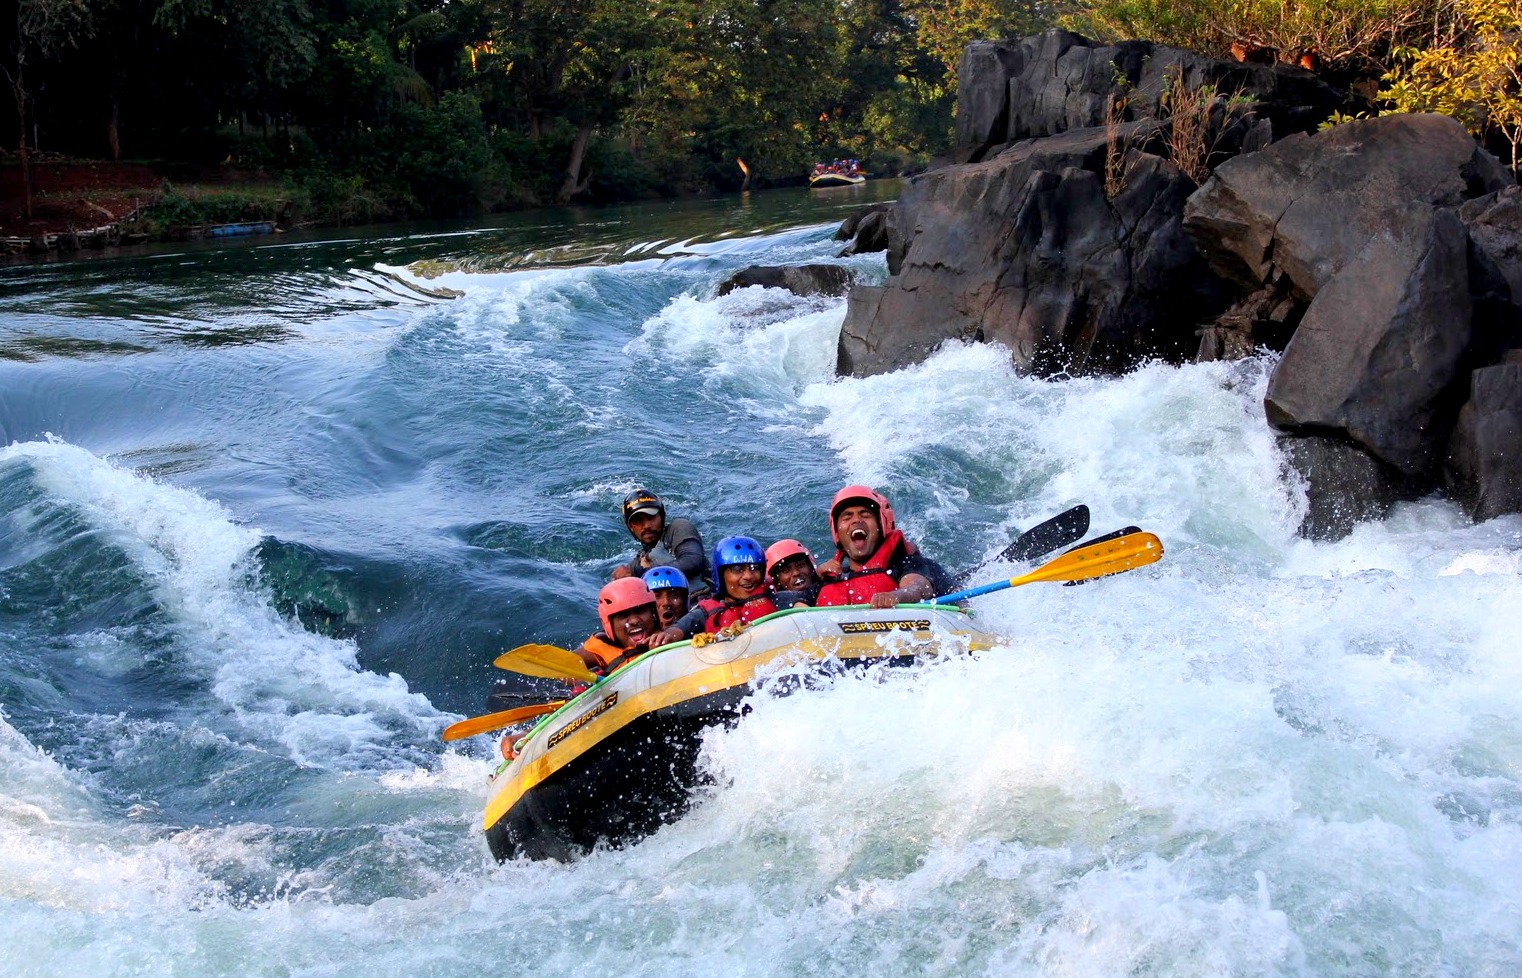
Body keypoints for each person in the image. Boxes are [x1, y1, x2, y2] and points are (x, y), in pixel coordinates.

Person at [814, 485, 951, 608]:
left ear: (881, 526)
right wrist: (815, 577)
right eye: (847, 517)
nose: (856, 520)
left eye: (865, 515)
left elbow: (917, 588)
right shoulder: (827, 578)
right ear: (837, 532)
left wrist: (895, 596)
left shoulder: (907, 563)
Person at [609, 488, 712, 597]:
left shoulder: (678, 528)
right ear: (631, 527)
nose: (647, 525)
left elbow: (692, 562)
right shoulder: (639, 562)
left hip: (704, 602)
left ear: (661, 516)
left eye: (651, 517)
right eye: (639, 521)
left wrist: (648, 569)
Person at [574, 577, 661, 676]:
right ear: (609, 623)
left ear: (653, 613)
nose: (634, 621)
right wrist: (583, 682)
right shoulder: (601, 646)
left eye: (640, 611)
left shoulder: (669, 634)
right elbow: (567, 664)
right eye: (623, 615)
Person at [642, 565, 691, 631]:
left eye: (674, 596)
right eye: (656, 596)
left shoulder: (701, 636)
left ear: (684, 602)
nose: (666, 602)